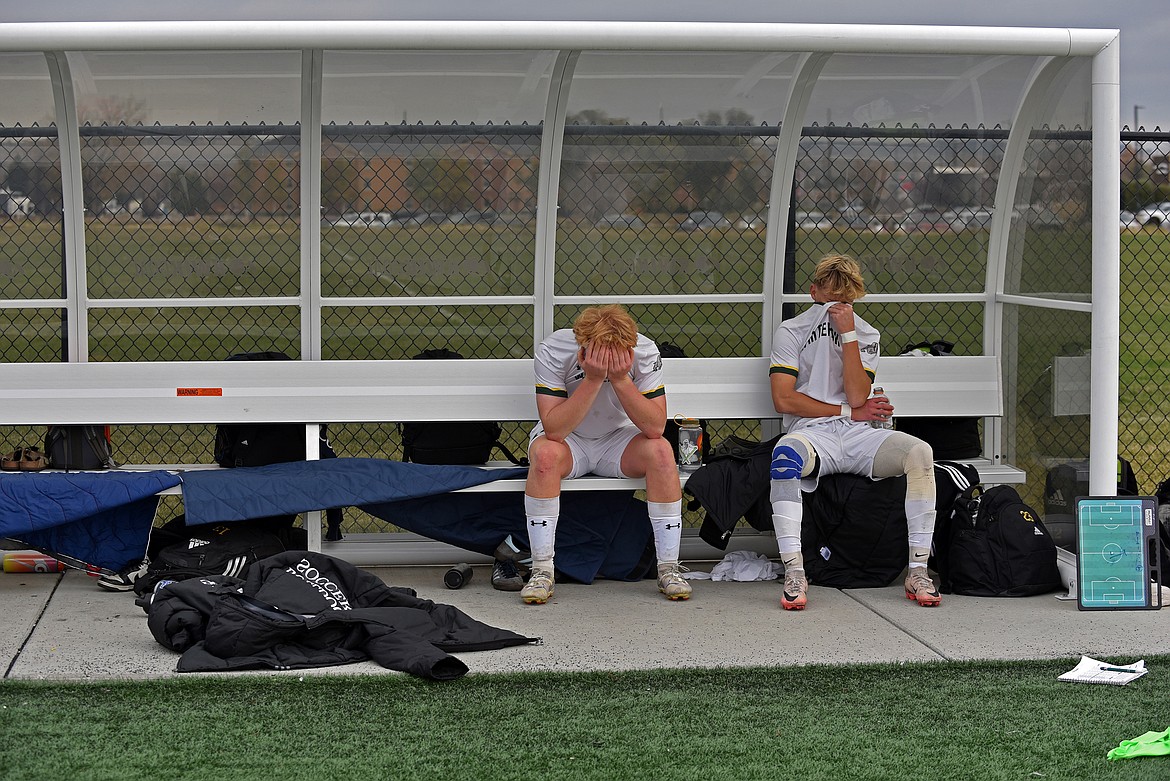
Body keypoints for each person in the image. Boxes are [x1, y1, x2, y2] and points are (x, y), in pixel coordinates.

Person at [768, 253, 941, 610]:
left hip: (860, 433)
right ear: (813, 292)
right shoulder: (792, 330)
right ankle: (795, 572)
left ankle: (918, 570)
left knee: (920, 453)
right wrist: (849, 410)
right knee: (784, 457)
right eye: (830, 299)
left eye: (845, 302)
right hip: (812, 432)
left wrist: (848, 334)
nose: (837, 308)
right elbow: (784, 400)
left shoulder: (865, 333)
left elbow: (859, 394)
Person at [519, 304, 691, 604]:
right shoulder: (555, 348)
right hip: (570, 440)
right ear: (582, 342)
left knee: (662, 452)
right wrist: (593, 378)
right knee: (545, 454)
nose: (610, 357)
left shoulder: (644, 350)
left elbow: (655, 427)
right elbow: (554, 429)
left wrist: (622, 379)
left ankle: (669, 568)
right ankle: (542, 570)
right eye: (601, 351)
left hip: (619, 440)